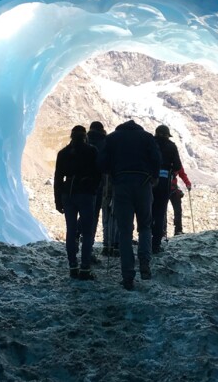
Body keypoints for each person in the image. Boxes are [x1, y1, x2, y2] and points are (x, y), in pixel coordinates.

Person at [98, 120, 162, 290]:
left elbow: (102, 162)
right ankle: (145, 264)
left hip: (121, 184)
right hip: (144, 183)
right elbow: (157, 158)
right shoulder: (147, 137)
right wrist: (154, 176)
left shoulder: (112, 138)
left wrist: (111, 173)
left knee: (125, 230)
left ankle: (128, 276)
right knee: (145, 226)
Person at [54, 125, 101, 280]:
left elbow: (58, 179)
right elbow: (98, 174)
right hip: (86, 194)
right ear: (85, 136)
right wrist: (94, 189)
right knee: (87, 232)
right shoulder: (92, 151)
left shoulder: (63, 153)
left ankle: (72, 266)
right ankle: (85, 268)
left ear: (71, 136)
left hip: (68, 193)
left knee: (71, 229)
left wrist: (58, 200)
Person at [151, 125, 185, 253]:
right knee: (160, 211)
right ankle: (156, 244)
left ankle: (145, 238)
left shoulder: (150, 143)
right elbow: (177, 165)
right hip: (164, 182)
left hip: (148, 180)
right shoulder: (171, 146)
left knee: (147, 210)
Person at [87, 121, 115, 258]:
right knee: (106, 215)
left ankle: (86, 247)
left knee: (88, 216)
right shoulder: (106, 142)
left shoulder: (84, 141)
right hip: (104, 183)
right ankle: (107, 244)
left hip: (85, 183)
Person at [169, 167, 192, 235]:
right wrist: (187, 183)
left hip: (168, 189)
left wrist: (188, 183)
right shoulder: (175, 161)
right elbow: (182, 174)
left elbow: (182, 173)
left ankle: (164, 231)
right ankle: (178, 230)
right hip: (171, 189)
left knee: (176, 210)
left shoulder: (163, 159)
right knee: (177, 210)